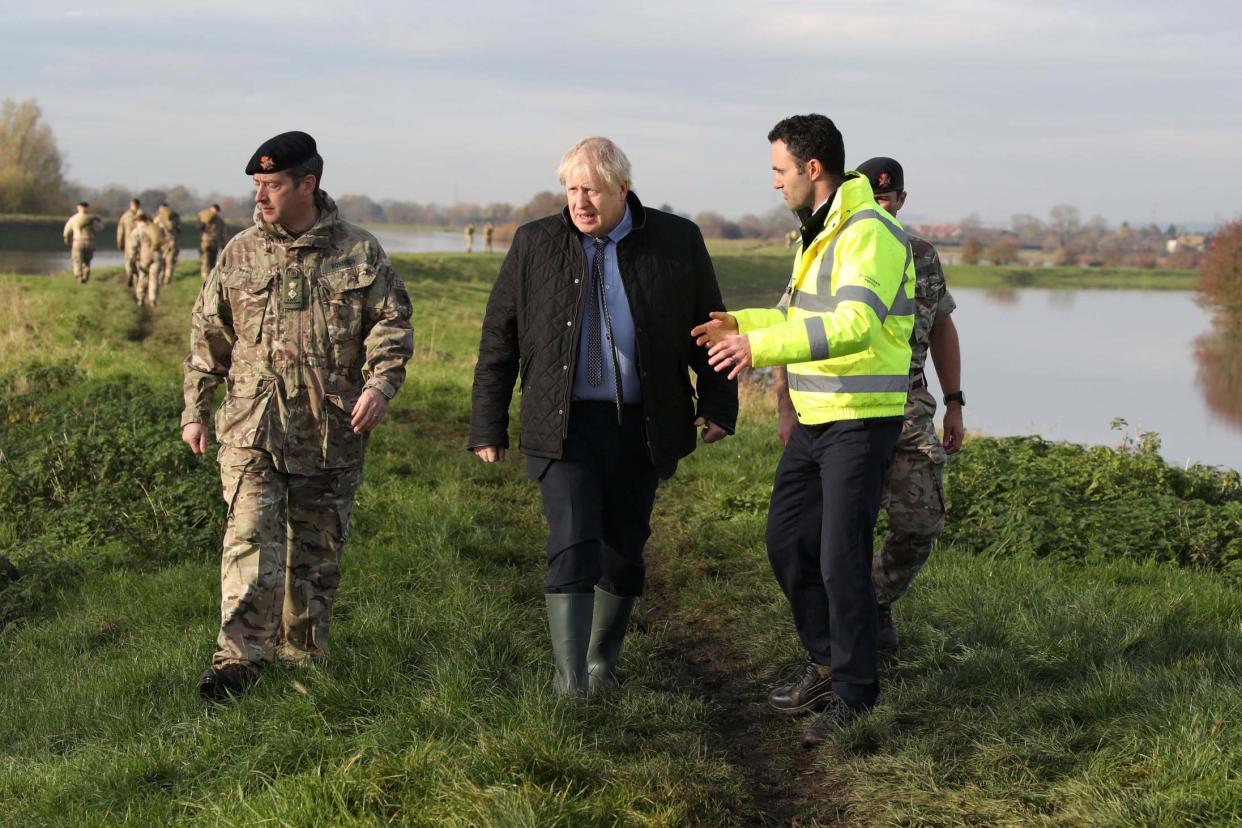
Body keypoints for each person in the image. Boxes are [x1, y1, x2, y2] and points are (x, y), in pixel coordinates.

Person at [470, 136, 737, 700]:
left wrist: (718, 403)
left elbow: (709, 328)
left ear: (622, 188)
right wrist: (487, 423)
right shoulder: (534, 242)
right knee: (572, 540)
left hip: (643, 423)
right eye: (570, 189)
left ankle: (599, 666)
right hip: (561, 423)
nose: (580, 201)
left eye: (591, 188)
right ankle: (570, 686)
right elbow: (501, 337)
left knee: (624, 549)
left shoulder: (676, 240)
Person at [692, 115, 914, 747]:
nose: (774, 183)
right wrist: (741, 318)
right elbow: (797, 313)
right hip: (818, 420)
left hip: (859, 421)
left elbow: (853, 326)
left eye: (779, 171)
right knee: (787, 542)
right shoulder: (819, 231)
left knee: (841, 557)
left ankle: (855, 693)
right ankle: (825, 661)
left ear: (812, 169)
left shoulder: (870, 233)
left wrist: (756, 347)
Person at [181, 131, 413, 701]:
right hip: (250, 428)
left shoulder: (359, 252)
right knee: (249, 540)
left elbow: (391, 324)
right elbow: (208, 335)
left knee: (316, 553)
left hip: (330, 431)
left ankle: (303, 659)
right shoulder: (238, 253)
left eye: (273, 185)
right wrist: (196, 409)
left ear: (307, 184)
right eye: (257, 185)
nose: (260, 197)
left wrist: (381, 384)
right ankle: (238, 661)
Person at [856, 157, 964, 649]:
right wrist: (786, 408)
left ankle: (875, 602)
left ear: (900, 200)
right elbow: (798, 329)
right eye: (870, 197)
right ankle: (839, 629)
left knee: (921, 523)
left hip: (908, 406)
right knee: (841, 524)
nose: (879, 206)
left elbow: (942, 327)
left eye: (887, 198)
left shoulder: (921, 254)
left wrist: (955, 402)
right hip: (849, 407)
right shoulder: (836, 249)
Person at [62, 202, 103, 283]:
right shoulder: (92, 219)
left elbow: (66, 231)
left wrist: (67, 239)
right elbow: (100, 228)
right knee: (87, 261)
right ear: (88, 208)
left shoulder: (73, 218)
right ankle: (86, 274)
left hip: (78, 241)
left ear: (78, 208)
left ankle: (79, 276)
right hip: (89, 241)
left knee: (77, 260)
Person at [132, 212, 163, 307]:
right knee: (154, 278)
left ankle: (140, 298)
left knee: (143, 276)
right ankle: (153, 299)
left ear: (138, 220)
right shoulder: (154, 228)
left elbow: (133, 246)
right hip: (157, 255)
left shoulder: (137, 231)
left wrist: (133, 258)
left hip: (144, 256)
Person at [198, 203, 227, 279]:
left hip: (205, 241)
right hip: (215, 242)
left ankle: (204, 275)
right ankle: (211, 276)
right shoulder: (220, 221)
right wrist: (224, 245)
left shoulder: (205, 217)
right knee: (212, 259)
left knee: (205, 258)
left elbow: (200, 228)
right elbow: (222, 234)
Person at [117, 198, 142, 287]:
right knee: (139, 260)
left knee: (128, 260)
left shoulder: (125, 216)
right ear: (139, 205)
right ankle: (138, 280)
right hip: (141, 243)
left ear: (131, 205)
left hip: (129, 242)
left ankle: (130, 273)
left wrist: (120, 244)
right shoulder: (143, 215)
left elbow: (120, 231)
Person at [155, 202, 181, 283]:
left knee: (160, 260)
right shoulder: (175, 217)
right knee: (170, 261)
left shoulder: (157, 218)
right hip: (172, 241)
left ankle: (160, 277)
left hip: (161, 243)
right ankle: (167, 278)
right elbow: (179, 229)